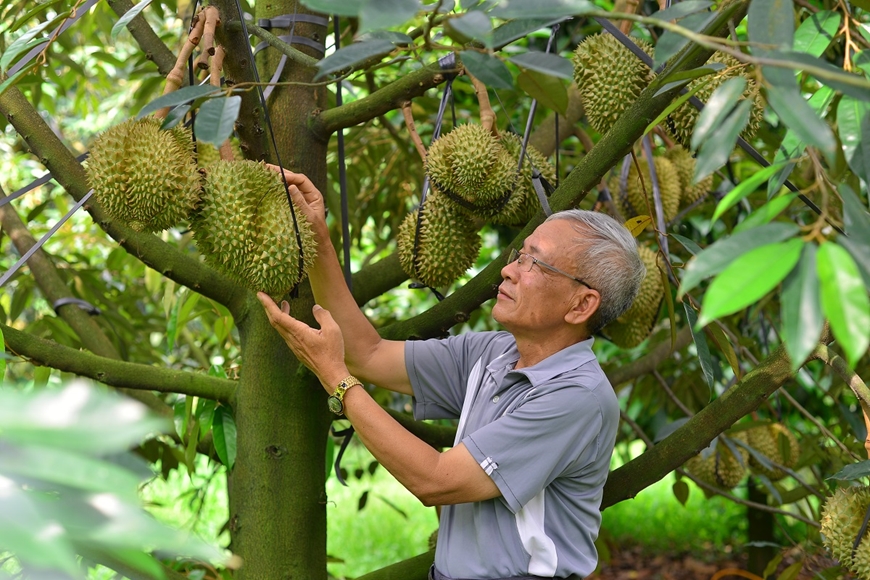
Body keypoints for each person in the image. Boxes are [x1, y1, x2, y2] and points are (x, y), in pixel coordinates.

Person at [258, 168, 646, 580]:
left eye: (536, 263)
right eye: (520, 254)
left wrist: (336, 379)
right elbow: (367, 354)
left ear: (581, 305)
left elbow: (437, 481)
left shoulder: (576, 397)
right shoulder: (494, 352)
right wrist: (317, 238)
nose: (510, 270)